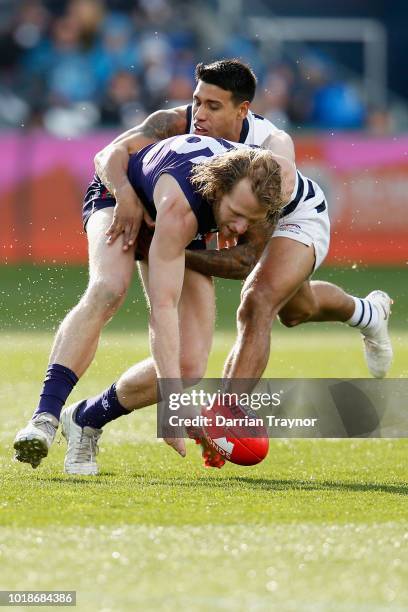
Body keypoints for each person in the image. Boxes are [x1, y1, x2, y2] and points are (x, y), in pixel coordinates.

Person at [14, 59, 392, 471]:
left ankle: (359, 316)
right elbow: (110, 154)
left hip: (292, 216)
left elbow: (245, 258)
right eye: (198, 101)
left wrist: (174, 252)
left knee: (269, 302)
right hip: (155, 202)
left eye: (213, 106)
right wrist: (126, 197)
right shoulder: (179, 125)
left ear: (242, 111)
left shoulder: (274, 154)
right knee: (110, 289)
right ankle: (47, 417)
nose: (200, 114)